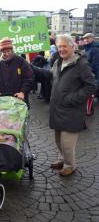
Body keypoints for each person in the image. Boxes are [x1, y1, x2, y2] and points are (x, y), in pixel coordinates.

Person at [49, 34, 96, 176]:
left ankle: (70, 165)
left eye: (64, 46)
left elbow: (91, 86)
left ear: (72, 46)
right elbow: (50, 77)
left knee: (67, 143)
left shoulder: (81, 64)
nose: (61, 49)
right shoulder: (58, 62)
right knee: (58, 139)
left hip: (72, 110)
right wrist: (32, 68)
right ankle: (62, 159)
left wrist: (72, 98)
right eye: (59, 46)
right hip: (57, 108)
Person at [0, 37, 33, 106]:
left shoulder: (21, 61)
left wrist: (23, 92)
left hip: (19, 99)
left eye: (8, 51)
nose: (6, 54)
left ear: (12, 50)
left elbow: (29, 78)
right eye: (4, 51)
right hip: (3, 100)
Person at [83, 33, 99, 99]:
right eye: (85, 38)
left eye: (88, 38)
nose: (86, 40)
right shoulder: (87, 48)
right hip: (89, 72)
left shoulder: (95, 49)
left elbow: (95, 64)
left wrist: (91, 73)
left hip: (93, 74)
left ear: (92, 39)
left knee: (91, 91)